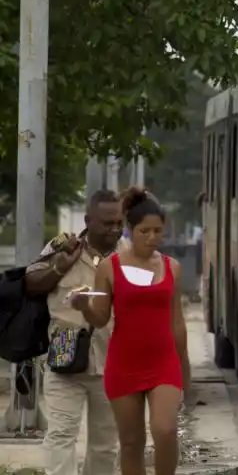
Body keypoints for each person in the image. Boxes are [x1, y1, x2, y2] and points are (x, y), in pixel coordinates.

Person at [71, 187, 190, 475]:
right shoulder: (110, 268)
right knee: (130, 442)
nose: (152, 238)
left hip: (163, 363)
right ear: (130, 230)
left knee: (165, 430)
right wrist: (83, 306)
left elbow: (177, 322)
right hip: (124, 364)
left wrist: (184, 369)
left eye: (158, 231)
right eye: (144, 231)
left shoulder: (171, 267)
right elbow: (100, 318)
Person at [24, 190, 126, 475]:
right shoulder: (63, 247)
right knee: (60, 435)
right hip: (64, 361)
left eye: (119, 223)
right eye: (107, 223)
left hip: (112, 365)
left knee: (105, 445)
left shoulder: (129, 255)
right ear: (88, 221)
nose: (114, 230)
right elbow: (30, 281)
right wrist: (59, 266)